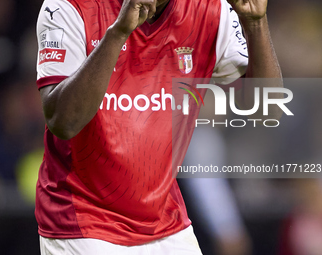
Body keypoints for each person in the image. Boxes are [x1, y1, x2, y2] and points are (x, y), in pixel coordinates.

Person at [35, 0, 282, 254]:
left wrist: (255, 23)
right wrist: (119, 32)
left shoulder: (211, 10)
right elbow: (63, 122)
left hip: (166, 223)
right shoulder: (69, 6)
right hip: (82, 223)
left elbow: (268, 112)